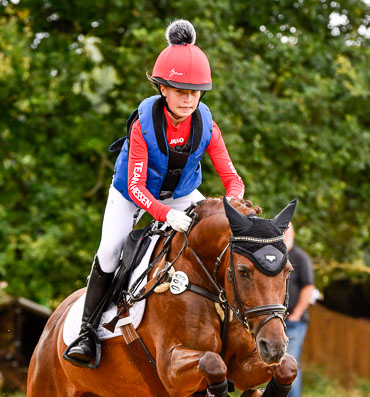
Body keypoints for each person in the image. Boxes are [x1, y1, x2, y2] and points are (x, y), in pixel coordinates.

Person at [64, 19, 245, 368]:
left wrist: (231, 202)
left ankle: (231, 320)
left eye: (195, 92)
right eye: (181, 90)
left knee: (219, 238)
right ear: (163, 89)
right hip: (133, 195)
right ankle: (86, 332)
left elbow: (230, 176)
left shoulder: (207, 125)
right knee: (110, 251)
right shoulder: (142, 126)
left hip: (182, 195)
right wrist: (165, 215)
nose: (189, 99)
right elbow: (136, 187)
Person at [282, 223, 315, 397]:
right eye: (282, 230)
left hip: (294, 323)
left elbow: (308, 288)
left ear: (293, 233)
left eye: (287, 230)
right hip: (272, 322)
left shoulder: (301, 258)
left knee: (290, 362)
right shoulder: (271, 255)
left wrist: (295, 314)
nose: (284, 233)